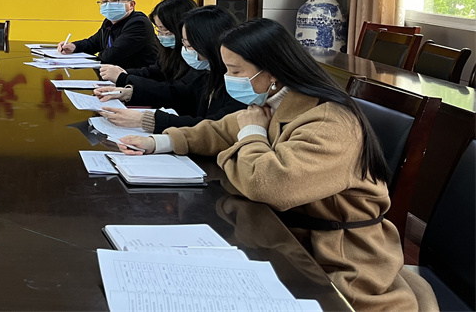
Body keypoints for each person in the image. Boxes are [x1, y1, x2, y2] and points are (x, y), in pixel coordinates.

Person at [116, 18, 437, 312]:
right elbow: (222, 130)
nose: (228, 79)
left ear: (272, 73)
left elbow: (270, 185)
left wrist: (252, 135)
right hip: (290, 240)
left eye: (235, 71)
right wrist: (161, 142)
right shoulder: (277, 102)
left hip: (340, 262)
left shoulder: (330, 123)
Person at [96, 5, 244, 133]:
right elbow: (179, 94)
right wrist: (129, 92)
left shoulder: (239, 83)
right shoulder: (208, 71)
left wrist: (146, 120)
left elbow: (214, 128)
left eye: (189, 45)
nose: (185, 50)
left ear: (209, 44)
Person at [99, 0, 197, 85]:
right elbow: (155, 71)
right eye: (158, 29)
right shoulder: (170, 51)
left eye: (164, 30)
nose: (161, 35)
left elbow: (175, 91)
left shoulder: (194, 57)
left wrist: (123, 78)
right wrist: (124, 72)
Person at [57, 0, 158, 69]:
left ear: (131, 5)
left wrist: (80, 62)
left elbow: (112, 55)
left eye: (115, 0)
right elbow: (93, 43)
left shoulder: (139, 23)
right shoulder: (109, 22)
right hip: (115, 77)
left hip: (140, 79)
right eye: (105, 1)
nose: (109, 5)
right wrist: (74, 46)